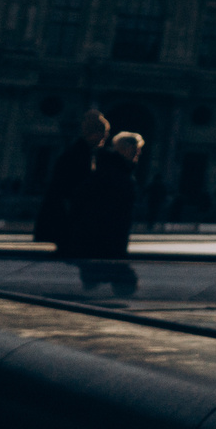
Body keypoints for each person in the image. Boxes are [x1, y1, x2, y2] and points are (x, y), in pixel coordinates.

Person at [67, 131, 142, 294]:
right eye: (136, 149)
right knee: (123, 284)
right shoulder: (115, 173)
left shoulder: (108, 168)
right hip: (107, 235)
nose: (138, 153)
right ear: (126, 149)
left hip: (104, 236)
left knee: (98, 281)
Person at [34, 109, 107, 252]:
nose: (105, 137)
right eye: (104, 133)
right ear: (96, 134)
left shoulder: (77, 152)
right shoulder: (81, 156)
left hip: (64, 218)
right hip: (69, 220)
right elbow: (75, 191)